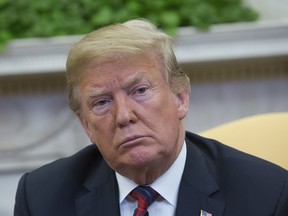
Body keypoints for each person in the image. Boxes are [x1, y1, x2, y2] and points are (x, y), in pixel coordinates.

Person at [14, 19, 288, 216]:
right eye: (102, 102)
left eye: (140, 90)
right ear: (86, 124)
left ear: (180, 98)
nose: (124, 116)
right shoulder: (41, 198)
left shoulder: (267, 194)